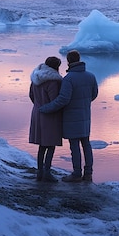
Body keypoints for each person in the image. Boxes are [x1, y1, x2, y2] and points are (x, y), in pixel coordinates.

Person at [40, 50, 98, 183]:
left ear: (68, 61)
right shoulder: (91, 76)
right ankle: (88, 174)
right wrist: (83, 102)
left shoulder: (69, 79)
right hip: (85, 116)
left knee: (74, 146)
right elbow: (94, 95)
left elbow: (63, 100)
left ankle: (77, 174)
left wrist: (46, 108)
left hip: (71, 118)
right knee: (86, 144)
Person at [29, 56, 63, 183]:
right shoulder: (53, 81)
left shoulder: (36, 78)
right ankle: (47, 172)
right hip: (49, 115)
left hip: (36, 112)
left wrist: (38, 105)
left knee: (42, 145)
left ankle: (40, 172)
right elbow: (54, 100)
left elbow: (31, 95)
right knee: (50, 144)